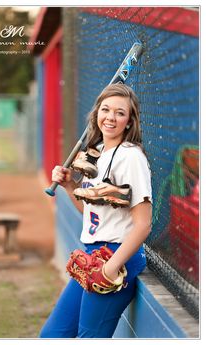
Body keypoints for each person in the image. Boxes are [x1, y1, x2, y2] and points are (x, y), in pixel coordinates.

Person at [39, 84, 152, 338]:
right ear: (97, 113)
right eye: (106, 109)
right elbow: (92, 213)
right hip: (93, 252)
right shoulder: (98, 152)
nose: (111, 117)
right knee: (52, 336)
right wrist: (70, 186)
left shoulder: (131, 157)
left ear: (129, 120)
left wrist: (111, 268)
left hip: (117, 257)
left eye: (120, 113)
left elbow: (143, 224)